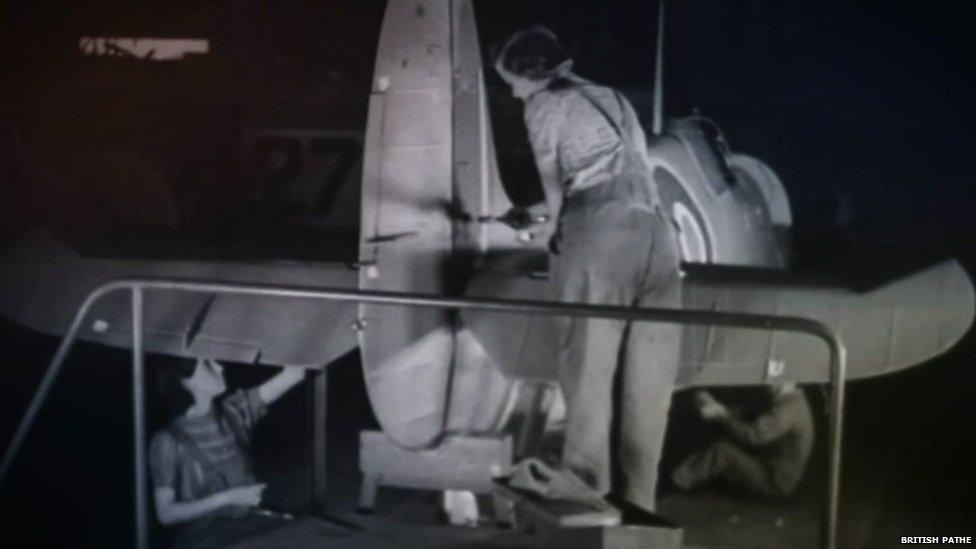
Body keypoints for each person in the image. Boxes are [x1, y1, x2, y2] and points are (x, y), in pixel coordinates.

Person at [493, 26, 682, 515]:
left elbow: (558, 195)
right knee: (650, 378)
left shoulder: (542, 107)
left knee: (587, 370)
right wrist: (549, 212)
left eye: (511, 81)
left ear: (530, 76)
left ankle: (586, 491)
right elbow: (619, 170)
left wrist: (546, 229)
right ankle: (641, 499)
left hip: (600, 238)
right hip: (658, 238)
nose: (511, 92)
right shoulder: (609, 96)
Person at [150, 357, 305, 548]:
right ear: (187, 382)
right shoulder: (168, 440)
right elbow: (165, 513)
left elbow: (294, 374)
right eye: (207, 363)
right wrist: (230, 497)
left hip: (247, 527)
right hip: (202, 538)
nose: (219, 367)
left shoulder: (233, 411)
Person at [671, 383, 814, 499]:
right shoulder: (793, 400)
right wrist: (721, 409)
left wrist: (722, 415)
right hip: (774, 469)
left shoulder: (788, 408)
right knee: (728, 437)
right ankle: (683, 477)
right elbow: (751, 417)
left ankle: (676, 482)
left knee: (722, 450)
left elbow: (754, 436)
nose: (767, 383)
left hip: (775, 482)